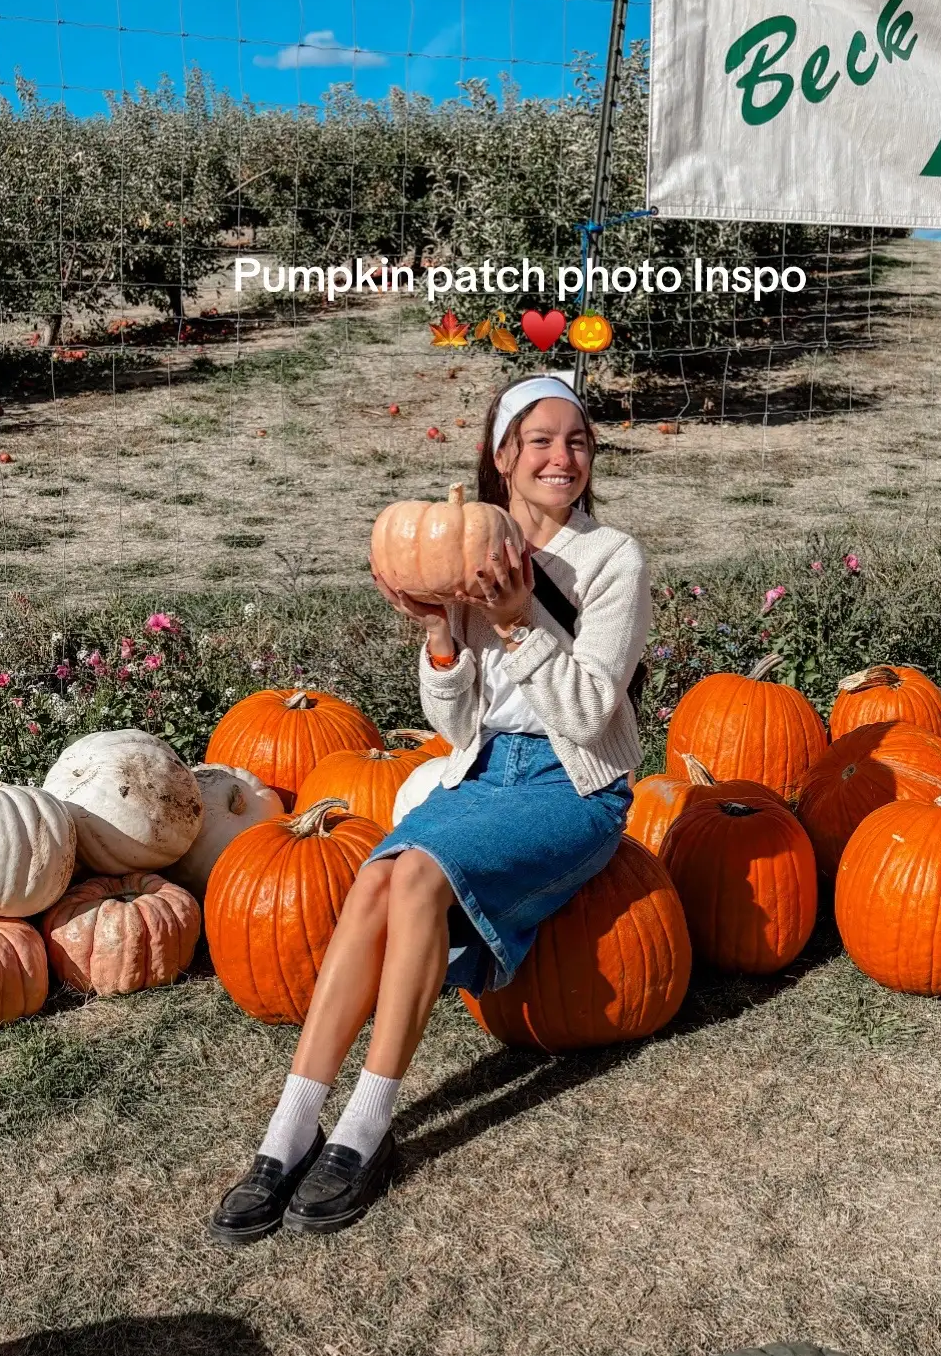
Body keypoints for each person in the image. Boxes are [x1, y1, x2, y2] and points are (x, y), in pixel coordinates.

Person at [209, 374, 652, 1244]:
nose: (562, 457)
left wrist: (522, 621)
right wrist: (443, 639)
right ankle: (286, 1133)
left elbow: (593, 713)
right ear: (502, 457)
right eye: (540, 442)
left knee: (413, 876)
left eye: (578, 441)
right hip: (484, 773)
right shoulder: (468, 546)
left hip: (574, 787)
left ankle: (365, 1131)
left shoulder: (613, 560)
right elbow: (455, 724)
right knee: (375, 881)